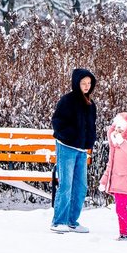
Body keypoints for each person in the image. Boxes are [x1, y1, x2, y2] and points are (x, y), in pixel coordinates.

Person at [50, 68, 97, 233]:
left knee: (81, 186)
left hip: (82, 151)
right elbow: (57, 122)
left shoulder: (90, 104)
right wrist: (71, 135)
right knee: (66, 185)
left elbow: (91, 126)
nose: (86, 86)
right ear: (76, 83)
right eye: (83, 83)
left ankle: (72, 221)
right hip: (67, 148)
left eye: (89, 83)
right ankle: (59, 221)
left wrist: (89, 140)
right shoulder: (67, 100)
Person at [98, 112, 127, 241]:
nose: (118, 131)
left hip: (126, 182)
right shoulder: (114, 148)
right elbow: (110, 166)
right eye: (117, 128)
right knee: (119, 210)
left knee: (120, 209)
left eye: (121, 129)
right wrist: (104, 181)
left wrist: (122, 142)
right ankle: (123, 233)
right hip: (116, 183)